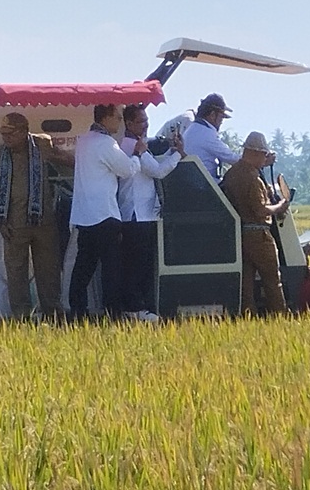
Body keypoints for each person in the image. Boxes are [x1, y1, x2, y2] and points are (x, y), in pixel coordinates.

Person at [0, 112, 67, 319]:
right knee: (16, 273)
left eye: (10, 133)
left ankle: (52, 314)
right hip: (13, 225)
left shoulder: (41, 146)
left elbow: (61, 158)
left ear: (23, 131)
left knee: (48, 271)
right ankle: (22, 317)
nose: (6, 137)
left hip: (43, 222)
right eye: (3, 133)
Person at [69, 104, 142, 320]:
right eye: (117, 118)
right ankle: (112, 313)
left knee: (83, 267)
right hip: (105, 213)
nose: (119, 122)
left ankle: (78, 312)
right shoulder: (106, 143)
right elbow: (126, 170)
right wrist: (137, 154)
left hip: (84, 214)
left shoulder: (83, 142)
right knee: (111, 268)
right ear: (106, 118)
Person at [118, 104, 186, 322]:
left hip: (141, 212)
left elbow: (152, 163)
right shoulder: (132, 145)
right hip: (138, 213)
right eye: (141, 121)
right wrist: (178, 155)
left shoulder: (135, 145)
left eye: (147, 121)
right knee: (138, 264)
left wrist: (171, 152)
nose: (146, 125)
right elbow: (157, 171)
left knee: (139, 263)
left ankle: (138, 307)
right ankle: (136, 308)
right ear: (129, 124)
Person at [221, 131, 289, 316]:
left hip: (240, 236)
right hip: (259, 236)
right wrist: (280, 206)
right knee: (272, 281)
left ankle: (248, 319)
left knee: (246, 285)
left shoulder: (232, 174)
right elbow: (261, 210)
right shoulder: (253, 178)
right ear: (256, 153)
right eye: (264, 155)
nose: (264, 159)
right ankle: (280, 317)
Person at [182, 93, 240, 182]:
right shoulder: (206, 134)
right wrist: (257, 159)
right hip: (205, 186)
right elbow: (232, 159)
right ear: (212, 115)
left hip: (193, 182)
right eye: (221, 117)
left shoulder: (192, 129)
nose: (222, 122)